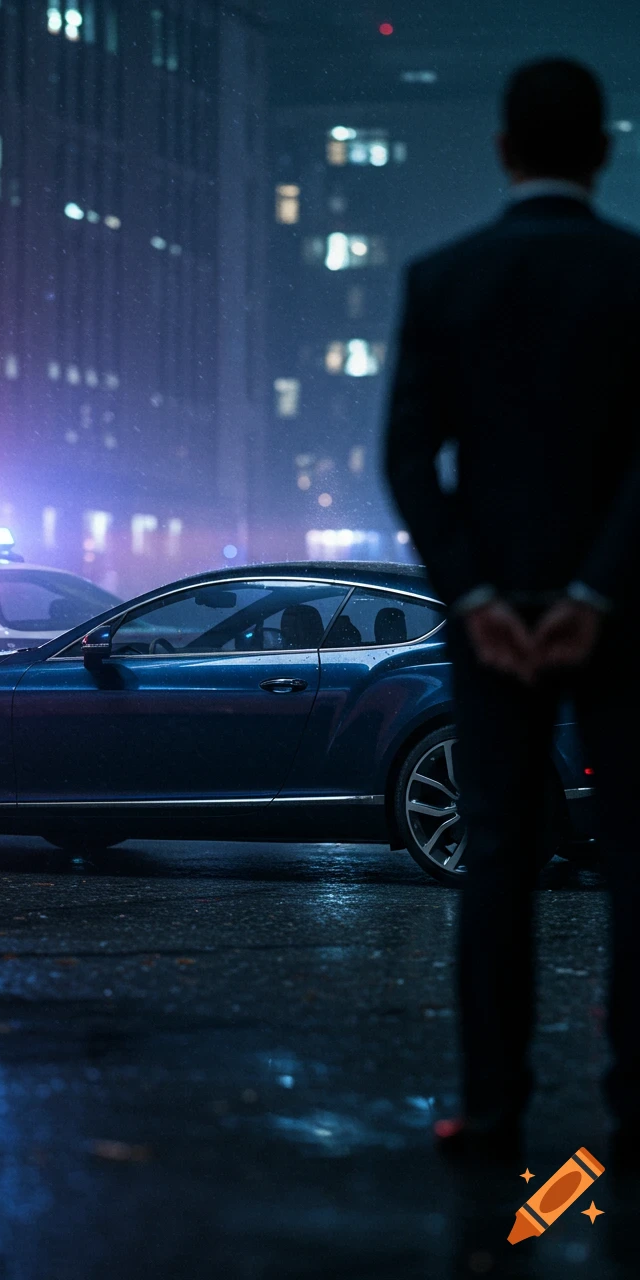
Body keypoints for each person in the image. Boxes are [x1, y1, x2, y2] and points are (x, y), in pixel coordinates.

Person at [385, 58, 640, 1167]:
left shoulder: (445, 279)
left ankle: (491, 1110)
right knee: (633, 856)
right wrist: (594, 588)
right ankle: (633, 1112)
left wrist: (477, 593)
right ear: (603, 149)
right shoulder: (634, 276)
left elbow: (404, 457)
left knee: (495, 858)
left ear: (503, 149)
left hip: (490, 615)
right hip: (620, 617)